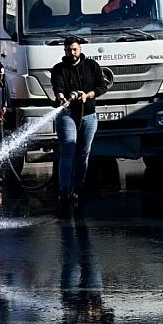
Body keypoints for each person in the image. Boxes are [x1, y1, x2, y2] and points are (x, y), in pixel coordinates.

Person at [51, 37, 108, 205]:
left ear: (80, 49)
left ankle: (78, 188)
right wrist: (61, 98)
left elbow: (102, 87)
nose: (72, 53)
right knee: (68, 150)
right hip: (67, 114)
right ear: (65, 51)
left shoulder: (92, 66)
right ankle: (64, 189)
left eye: (74, 49)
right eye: (68, 50)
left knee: (83, 153)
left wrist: (87, 95)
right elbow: (58, 87)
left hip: (89, 114)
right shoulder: (59, 69)